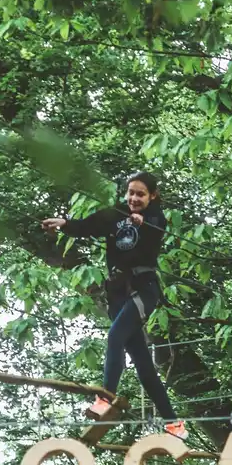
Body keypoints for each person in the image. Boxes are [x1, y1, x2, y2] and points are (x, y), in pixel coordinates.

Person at [42, 171, 188, 440]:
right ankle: (174, 424)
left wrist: (141, 222)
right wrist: (64, 223)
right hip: (117, 294)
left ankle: (104, 398)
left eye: (140, 194)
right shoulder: (117, 213)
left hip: (143, 289)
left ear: (152, 196)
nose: (134, 198)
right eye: (131, 192)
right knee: (143, 363)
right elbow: (88, 226)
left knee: (115, 336)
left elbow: (153, 230)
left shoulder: (156, 217)